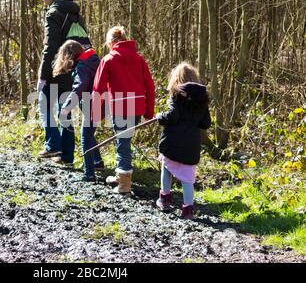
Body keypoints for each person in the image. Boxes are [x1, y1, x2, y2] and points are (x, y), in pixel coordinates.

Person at [92, 26, 155, 194]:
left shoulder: (109, 59)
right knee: (124, 141)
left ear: (111, 42)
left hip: (120, 105)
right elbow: (150, 85)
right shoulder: (139, 59)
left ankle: (124, 184)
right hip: (137, 105)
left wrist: (95, 113)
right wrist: (149, 112)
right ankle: (121, 175)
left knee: (123, 143)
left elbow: (98, 88)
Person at [36, 0, 90, 164]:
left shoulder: (53, 13)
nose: (42, 0)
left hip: (58, 67)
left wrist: (43, 75)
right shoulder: (75, 13)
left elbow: (50, 46)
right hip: (76, 67)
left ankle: (52, 145)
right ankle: (66, 156)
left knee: (44, 104)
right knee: (64, 109)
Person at [155, 62, 212, 220]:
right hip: (191, 145)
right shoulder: (201, 101)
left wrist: (160, 117)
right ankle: (188, 210)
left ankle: (164, 199)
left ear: (176, 79)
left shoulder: (176, 97)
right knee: (188, 179)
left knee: (166, 168)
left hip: (172, 143)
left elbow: (172, 117)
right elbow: (206, 123)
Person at [53, 40, 104, 181]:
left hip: (92, 103)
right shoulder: (93, 59)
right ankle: (97, 162)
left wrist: (66, 107)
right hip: (100, 101)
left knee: (85, 137)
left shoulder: (82, 65)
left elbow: (80, 87)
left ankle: (89, 174)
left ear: (70, 55)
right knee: (89, 133)